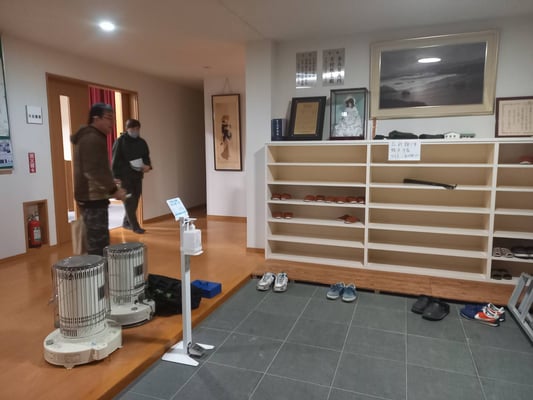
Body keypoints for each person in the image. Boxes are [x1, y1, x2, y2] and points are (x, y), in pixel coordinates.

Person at [71, 103, 127, 256]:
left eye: (113, 119)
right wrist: (114, 190)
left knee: (94, 242)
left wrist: (111, 182)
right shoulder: (91, 138)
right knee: (98, 246)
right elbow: (93, 171)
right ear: (96, 119)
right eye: (108, 118)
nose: (112, 123)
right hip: (92, 199)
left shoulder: (93, 137)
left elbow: (98, 168)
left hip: (93, 198)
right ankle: (98, 271)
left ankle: (97, 269)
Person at [111, 119, 152, 234]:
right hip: (125, 177)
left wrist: (147, 166)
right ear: (127, 129)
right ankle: (135, 226)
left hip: (138, 175)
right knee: (129, 201)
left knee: (135, 200)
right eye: (132, 129)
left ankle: (126, 222)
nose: (135, 131)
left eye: (137, 129)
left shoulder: (142, 142)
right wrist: (115, 176)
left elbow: (146, 157)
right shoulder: (120, 142)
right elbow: (114, 160)